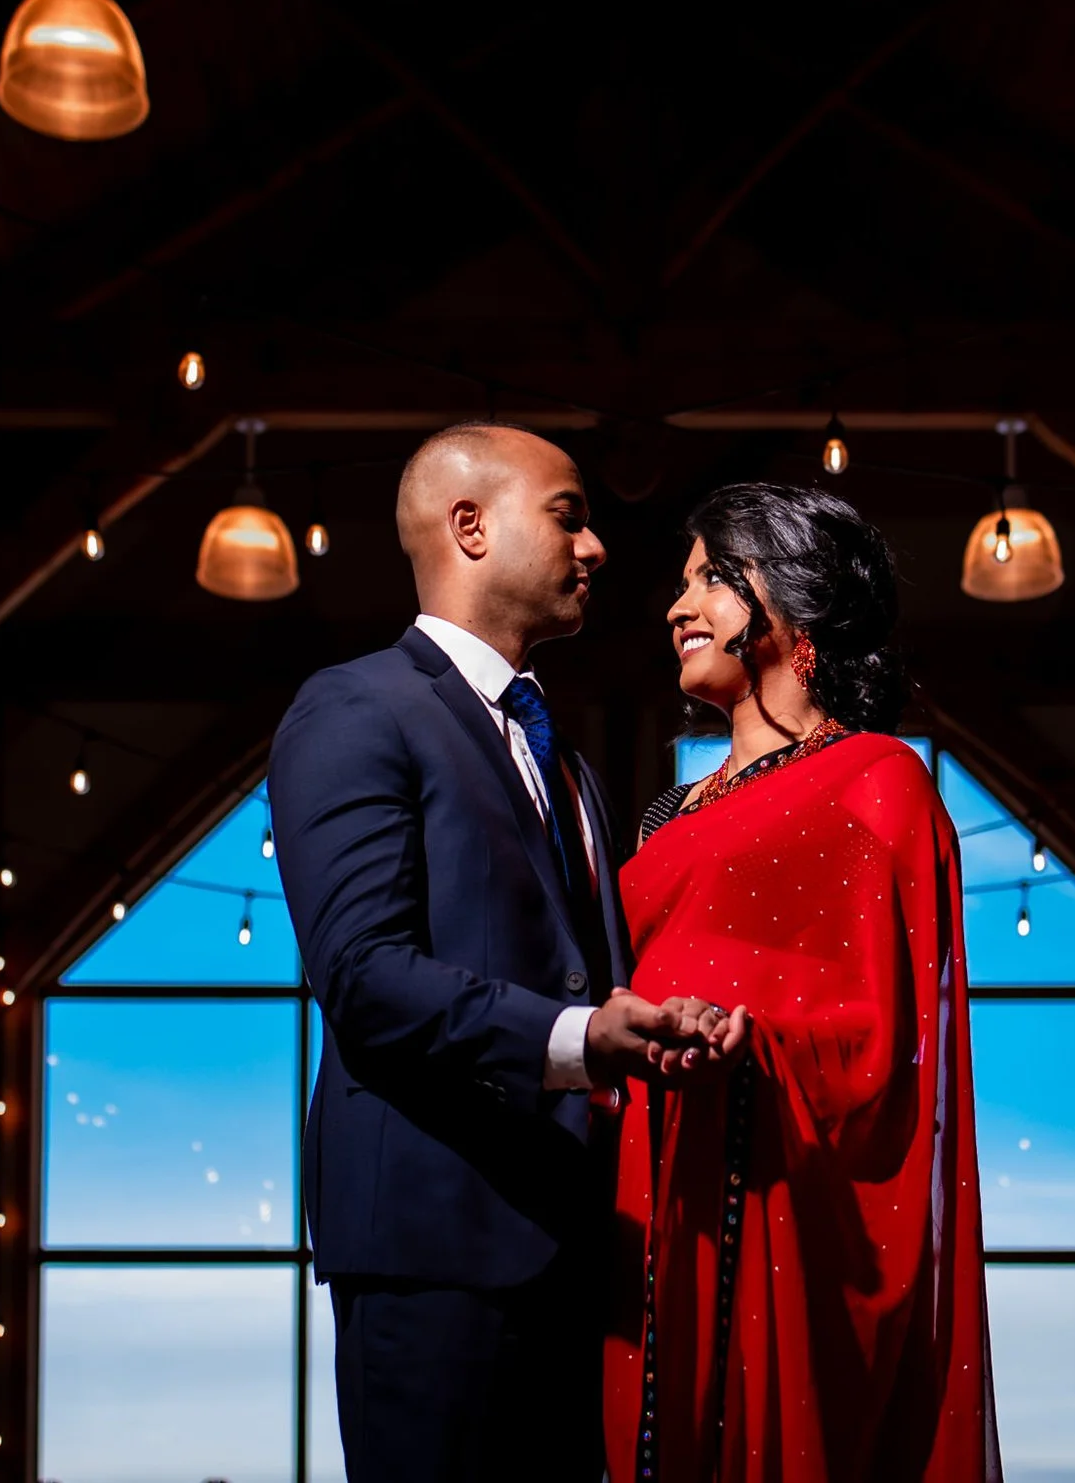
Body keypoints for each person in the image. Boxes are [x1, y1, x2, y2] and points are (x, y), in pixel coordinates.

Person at [269, 422, 726, 1483]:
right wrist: (578, 1036)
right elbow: (364, 975)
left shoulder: (561, 759)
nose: (598, 546)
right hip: (432, 1252)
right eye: (569, 514)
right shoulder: (354, 705)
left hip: (578, 1259)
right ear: (467, 526)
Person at [604, 481, 1002, 1483]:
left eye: (710, 579)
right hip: (645, 1178)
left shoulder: (877, 778)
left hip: (773, 1188)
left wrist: (750, 1042)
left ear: (795, 604)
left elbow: (885, 1042)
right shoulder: (661, 816)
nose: (676, 606)